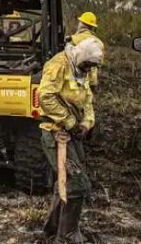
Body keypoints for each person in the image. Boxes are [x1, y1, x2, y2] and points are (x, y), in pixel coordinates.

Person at [38, 33, 103, 242]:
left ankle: (53, 227)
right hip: (56, 132)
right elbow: (45, 97)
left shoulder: (83, 69)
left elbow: (88, 101)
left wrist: (86, 123)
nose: (88, 69)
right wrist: (70, 122)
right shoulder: (58, 65)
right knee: (77, 183)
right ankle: (67, 235)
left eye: (91, 67)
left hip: (72, 133)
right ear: (80, 55)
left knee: (68, 181)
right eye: (86, 65)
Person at [71, 12, 105, 88]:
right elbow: (100, 63)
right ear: (92, 27)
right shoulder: (99, 43)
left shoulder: (73, 39)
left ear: (81, 24)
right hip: (91, 83)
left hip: (75, 82)